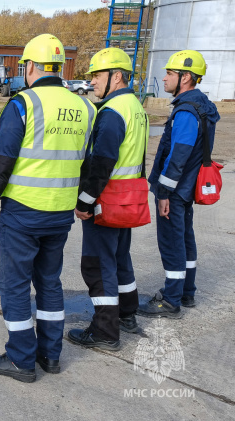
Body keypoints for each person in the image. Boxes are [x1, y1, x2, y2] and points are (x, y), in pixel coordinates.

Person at [0, 34, 96, 382]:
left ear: (30, 67)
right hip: (60, 214)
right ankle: (50, 355)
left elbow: (2, 160)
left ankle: (21, 359)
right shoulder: (86, 107)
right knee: (49, 283)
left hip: (24, 213)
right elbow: (89, 163)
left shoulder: (24, 104)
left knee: (13, 286)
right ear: (58, 68)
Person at [67, 47, 148, 351]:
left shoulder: (112, 112)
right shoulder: (134, 106)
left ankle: (105, 330)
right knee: (119, 259)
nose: (93, 82)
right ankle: (127, 314)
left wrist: (85, 202)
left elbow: (101, 162)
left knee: (98, 266)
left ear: (116, 76)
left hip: (107, 200)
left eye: (97, 75)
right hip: (127, 199)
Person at [138, 50, 220, 318]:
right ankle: (187, 291)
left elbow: (178, 155)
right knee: (185, 238)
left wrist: (163, 192)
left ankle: (171, 300)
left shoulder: (185, 111)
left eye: (169, 73)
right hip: (186, 189)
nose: (163, 78)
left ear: (186, 77)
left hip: (175, 191)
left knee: (172, 242)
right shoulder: (202, 106)